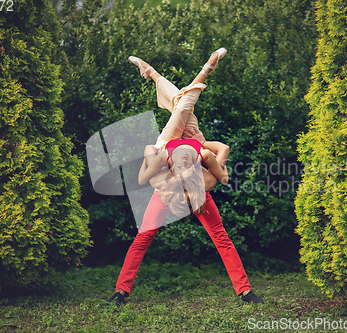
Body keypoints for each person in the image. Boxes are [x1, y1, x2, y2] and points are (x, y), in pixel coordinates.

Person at [108, 48, 263, 305]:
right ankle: (201, 69)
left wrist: (158, 158)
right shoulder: (201, 154)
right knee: (182, 105)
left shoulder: (164, 160)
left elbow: (143, 178)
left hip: (167, 145)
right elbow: (220, 166)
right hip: (193, 141)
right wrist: (219, 169)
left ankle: (155, 73)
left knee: (181, 106)